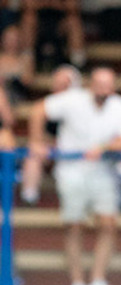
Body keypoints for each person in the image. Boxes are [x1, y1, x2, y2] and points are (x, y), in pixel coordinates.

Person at [28, 65, 121, 285]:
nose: (103, 90)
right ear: (91, 85)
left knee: (108, 224)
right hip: (71, 171)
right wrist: (36, 141)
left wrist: (103, 148)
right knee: (73, 225)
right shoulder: (72, 100)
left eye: (108, 85)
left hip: (104, 171)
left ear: (113, 87)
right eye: (99, 85)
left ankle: (98, 279)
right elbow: (38, 110)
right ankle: (77, 282)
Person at [19, 62, 79, 204]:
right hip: (53, 149)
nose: (60, 88)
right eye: (57, 84)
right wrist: (40, 143)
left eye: (64, 85)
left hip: (79, 151)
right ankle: (29, 197)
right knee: (33, 153)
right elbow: (37, 116)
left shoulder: (82, 104)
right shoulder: (48, 105)